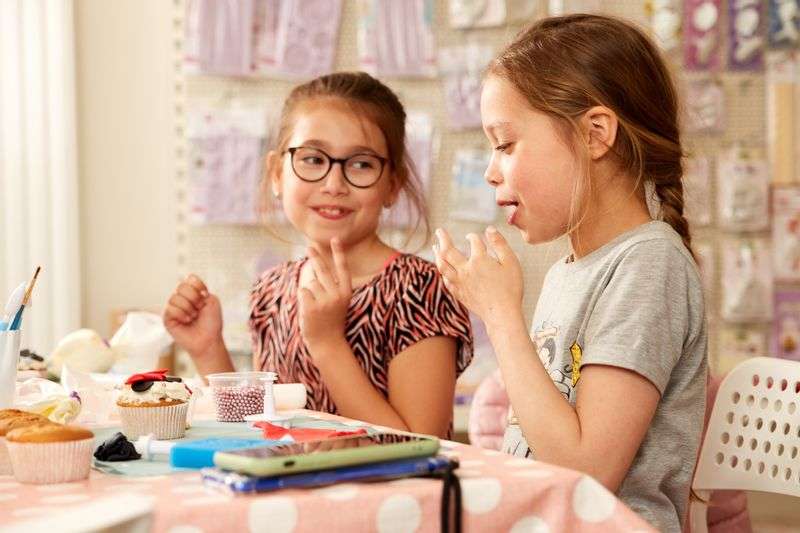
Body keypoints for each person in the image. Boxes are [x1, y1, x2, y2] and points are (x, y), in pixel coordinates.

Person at [433, 15, 707, 531]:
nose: (490, 171)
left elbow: (588, 475)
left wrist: (500, 315)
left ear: (594, 134)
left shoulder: (650, 265)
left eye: (505, 144)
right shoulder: (569, 271)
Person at [165, 72, 473, 438]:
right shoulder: (271, 290)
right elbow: (262, 428)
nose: (333, 184)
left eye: (361, 164)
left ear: (393, 184)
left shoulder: (418, 288)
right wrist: (208, 351)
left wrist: (326, 342)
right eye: (312, 159)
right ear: (277, 173)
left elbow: (420, 445)